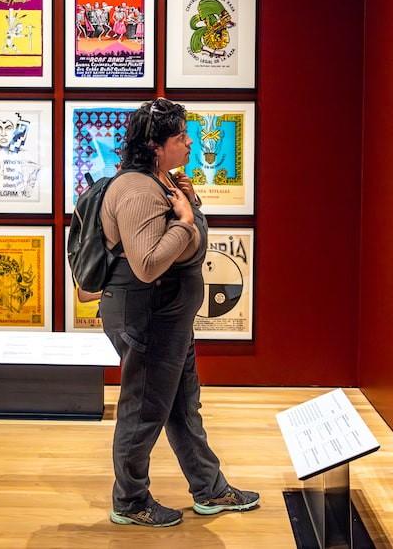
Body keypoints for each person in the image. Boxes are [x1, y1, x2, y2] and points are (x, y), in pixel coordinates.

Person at [99, 98, 259, 528]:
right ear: (155, 145)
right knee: (144, 411)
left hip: (170, 319)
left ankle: (209, 489)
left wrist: (187, 202)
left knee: (183, 406)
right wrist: (185, 219)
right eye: (180, 137)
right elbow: (148, 263)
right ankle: (130, 502)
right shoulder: (135, 191)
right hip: (148, 319)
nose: (190, 142)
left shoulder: (160, 180)